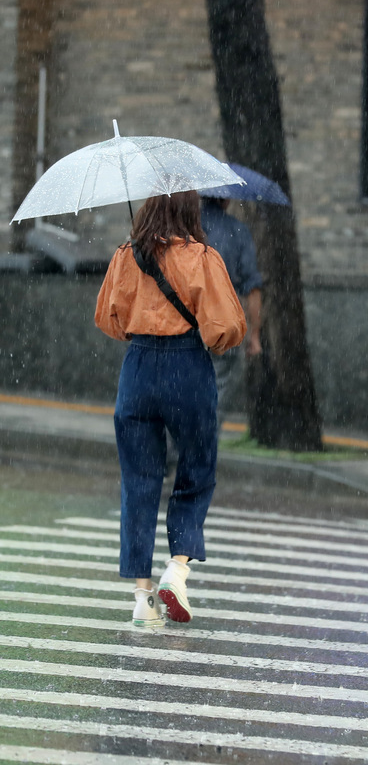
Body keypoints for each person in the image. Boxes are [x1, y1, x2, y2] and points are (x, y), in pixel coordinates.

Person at [95, 190, 246, 628]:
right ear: (188, 211)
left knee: (138, 481)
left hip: (138, 368)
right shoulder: (202, 257)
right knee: (197, 471)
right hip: (187, 367)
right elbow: (227, 328)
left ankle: (142, 596)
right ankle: (177, 569)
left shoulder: (127, 254)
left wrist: (143, 326)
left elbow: (108, 318)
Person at [200, 195, 263, 424]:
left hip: (187, 322)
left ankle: (176, 451)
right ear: (226, 200)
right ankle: (204, 453)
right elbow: (252, 287)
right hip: (224, 321)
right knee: (217, 389)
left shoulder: (184, 229)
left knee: (180, 389)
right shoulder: (238, 231)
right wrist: (254, 335)